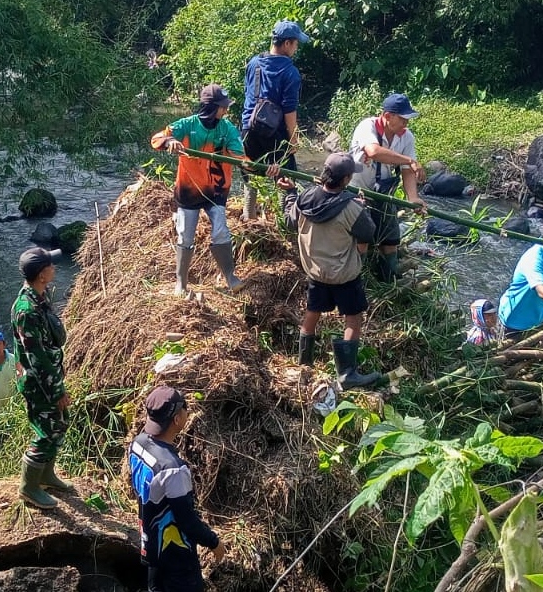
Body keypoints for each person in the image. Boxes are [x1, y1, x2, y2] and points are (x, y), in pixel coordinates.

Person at [128, 386, 225, 592]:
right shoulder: (173, 469)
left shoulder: (138, 445)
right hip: (176, 549)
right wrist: (213, 542)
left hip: (150, 539)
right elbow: (187, 520)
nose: (186, 413)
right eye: (184, 409)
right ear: (177, 419)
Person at [278, 153, 381, 388]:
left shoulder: (304, 198)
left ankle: (305, 364)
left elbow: (290, 221)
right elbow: (367, 233)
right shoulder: (351, 207)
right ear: (345, 180)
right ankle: (347, 374)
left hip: (315, 271)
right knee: (353, 317)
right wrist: (362, 209)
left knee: (312, 312)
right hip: (345, 274)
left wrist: (290, 193)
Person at [151, 83, 258, 295]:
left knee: (220, 230)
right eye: (222, 107)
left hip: (215, 190)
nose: (226, 110)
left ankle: (230, 277)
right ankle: (181, 283)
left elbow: (238, 154)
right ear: (211, 107)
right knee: (186, 235)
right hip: (189, 190)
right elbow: (157, 138)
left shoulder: (227, 128)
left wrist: (248, 163)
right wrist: (170, 141)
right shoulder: (187, 125)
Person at [11, 246, 75, 509]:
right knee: (46, 430)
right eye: (50, 265)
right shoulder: (27, 309)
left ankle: (47, 475)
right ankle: (29, 487)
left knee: (60, 423)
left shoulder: (39, 295)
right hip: (39, 384)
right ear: (41, 274)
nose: (55, 267)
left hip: (48, 379)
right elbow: (36, 359)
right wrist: (58, 390)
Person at [348, 93, 429, 281]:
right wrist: (409, 160)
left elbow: (407, 171)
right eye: (402, 119)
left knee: (391, 238)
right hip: (355, 190)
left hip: (382, 192)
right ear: (387, 116)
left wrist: (413, 198)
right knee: (363, 236)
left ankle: (388, 280)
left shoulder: (406, 137)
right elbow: (373, 152)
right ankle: (358, 279)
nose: (405, 124)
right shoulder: (367, 126)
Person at [240, 20, 310, 221]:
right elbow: (289, 111)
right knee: (286, 178)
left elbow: (248, 95)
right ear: (287, 43)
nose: (296, 48)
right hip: (275, 134)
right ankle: (285, 222)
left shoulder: (254, 63)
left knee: (251, 175)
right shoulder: (290, 72)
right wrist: (294, 140)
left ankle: (249, 219)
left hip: (248, 129)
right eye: (296, 43)